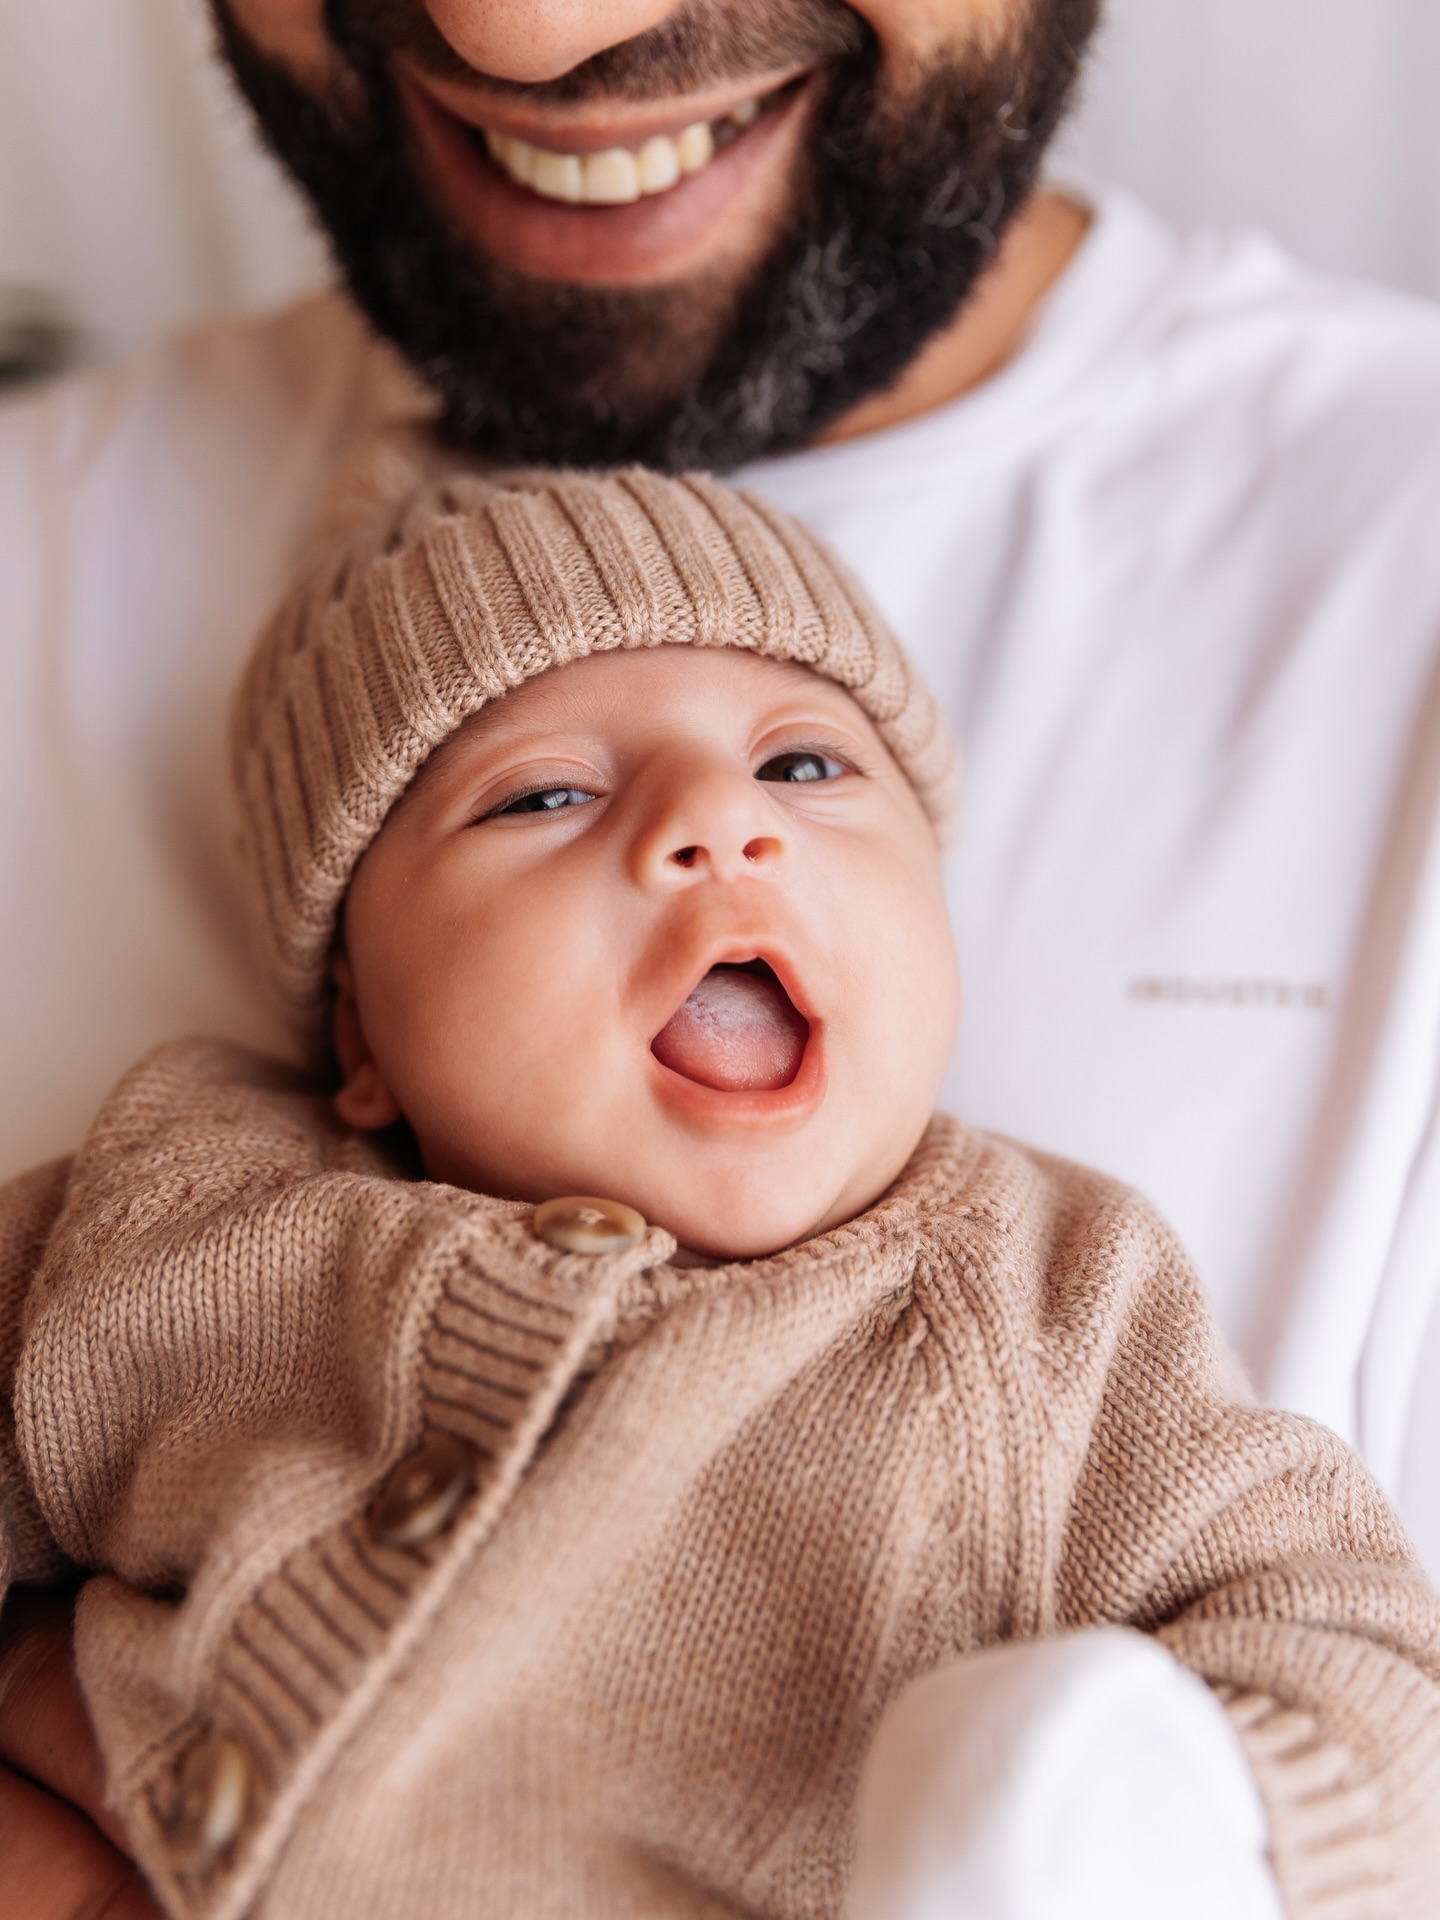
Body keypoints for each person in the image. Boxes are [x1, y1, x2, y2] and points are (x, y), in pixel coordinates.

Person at [8, 0, 1440, 1907]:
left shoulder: (1047, 1309)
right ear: (356, 1029)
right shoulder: (184, 1213)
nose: (717, 825)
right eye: (535, 801)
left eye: (807, 769)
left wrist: (1169, 1829)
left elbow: (1347, 1655)